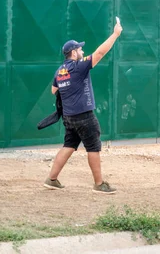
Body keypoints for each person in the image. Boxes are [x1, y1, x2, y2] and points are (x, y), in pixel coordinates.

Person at [44, 17, 123, 194]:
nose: (82, 50)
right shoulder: (78, 66)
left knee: (69, 146)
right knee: (93, 147)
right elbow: (100, 53)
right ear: (73, 52)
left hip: (69, 117)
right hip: (84, 116)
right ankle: (99, 184)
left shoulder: (60, 70)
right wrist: (115, 34)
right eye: (80, 49)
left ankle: (52, 179)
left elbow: (53, 90)